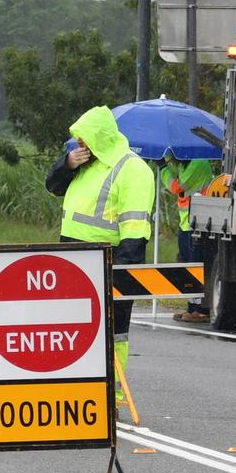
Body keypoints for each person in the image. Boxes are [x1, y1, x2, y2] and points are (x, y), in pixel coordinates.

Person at [46, 105, 154, 402]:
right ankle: (77, 391)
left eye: (84, 141)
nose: (80, 146)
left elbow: (134, 230)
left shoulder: (132, 169)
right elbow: (52, 185)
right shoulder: (85, 164)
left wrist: (119, 276)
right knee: (72, 330)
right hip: (74, 260)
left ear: (100, 137)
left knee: (114, 331)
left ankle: (111, 396)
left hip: (109, 260)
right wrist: (66, 163)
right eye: (78, 142)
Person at [159, 153, 213, 322]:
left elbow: (178, 186)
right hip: (186, 223)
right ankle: (192, 307)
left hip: (198, 224)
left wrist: (162, 169)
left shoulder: (198, 161)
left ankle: (201, 309)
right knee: (187, 267)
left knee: (195, 268)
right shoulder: (185, 163)